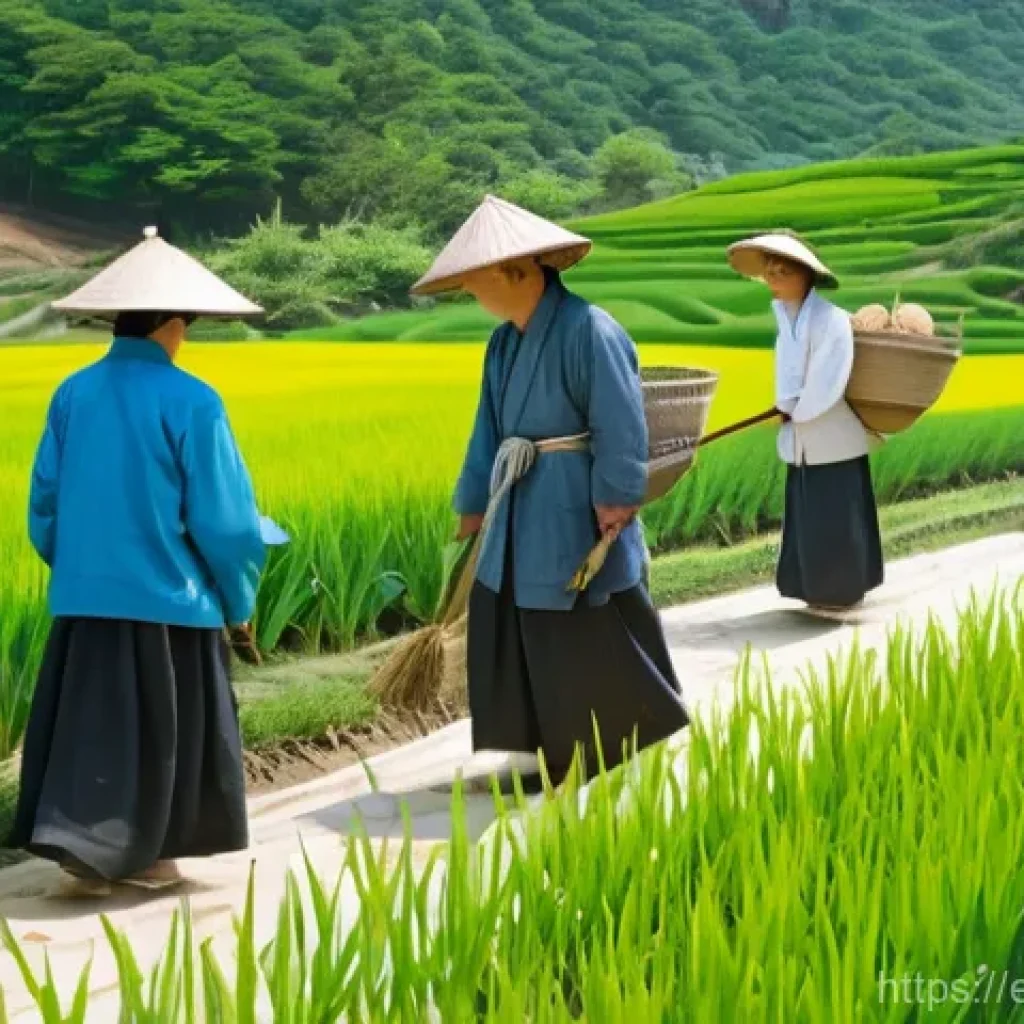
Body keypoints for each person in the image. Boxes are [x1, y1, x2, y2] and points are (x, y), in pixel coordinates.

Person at [8, 227, 268, 894]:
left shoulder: (73, 393)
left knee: (92, 730)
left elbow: (46, 505)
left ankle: (81, 852)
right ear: (174, 325)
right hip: (169, 604)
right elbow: (229, 525)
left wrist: (80, 567)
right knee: (165, 738)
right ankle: (151, 858)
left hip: (86, 601)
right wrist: (238, 603)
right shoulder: (193, 401)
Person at [410, 195, 689, 790]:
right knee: (523, 619)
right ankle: (551, 743)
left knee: (582, 619)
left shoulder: (591, 330)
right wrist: (473, 502)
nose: (472, 295)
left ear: (515, 271)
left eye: (474, 282)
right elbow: (487, 428)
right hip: (520, 502)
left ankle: (606, 742)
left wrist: (615, 497)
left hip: (570, 503)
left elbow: (621, 422)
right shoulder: (503, 344)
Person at [727, 232, 884, 617]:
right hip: (802, 439)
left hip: (831, 436)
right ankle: (812, 587)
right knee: (809, 517)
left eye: (783, 271)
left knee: (836, 518)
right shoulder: (787, 322)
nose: (773, 279)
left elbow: (827, 382)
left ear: (806, 276)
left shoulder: (830, 321)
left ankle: (844, 590)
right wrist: (788, 409)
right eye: (769, 272)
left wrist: (793, 410)